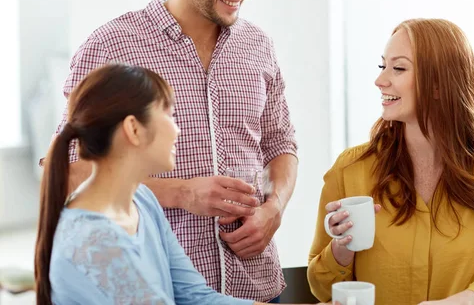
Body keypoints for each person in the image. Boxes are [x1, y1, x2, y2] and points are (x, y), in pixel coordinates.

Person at [50, 0, 297, 302]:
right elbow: (68, 171)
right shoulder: (111, 47)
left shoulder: (258, 46)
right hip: (157, 285)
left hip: (256, 288)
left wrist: (275, 208)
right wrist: (181, 193)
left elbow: (281, 143)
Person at [35, 64, 327, 305]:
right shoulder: (94, 243)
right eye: (169, 115)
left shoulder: (142, 202)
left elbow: (194, 296)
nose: (177, 129)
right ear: (133, 129)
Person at [307, 19, 474, 305]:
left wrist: (461, 302)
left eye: (399, 68)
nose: (380, 80)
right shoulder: (351, 169)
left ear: (440, 84)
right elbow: (321, 288)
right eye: (383, 66)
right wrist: (342, 249)